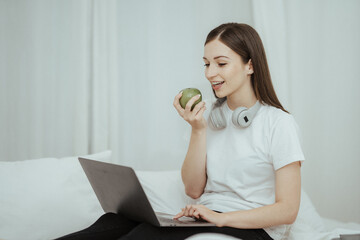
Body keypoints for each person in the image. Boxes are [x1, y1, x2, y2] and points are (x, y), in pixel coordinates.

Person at [56, 22, 304, 240]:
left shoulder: (278, 123)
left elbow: (288, 210)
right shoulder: (210, 117)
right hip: (207, 216)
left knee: (144, 235)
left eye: (221, 63)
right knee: (113, 222)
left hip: (252, 230)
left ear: (250, 65)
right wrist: (197, 129)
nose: (210, 73)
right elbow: (193, 190)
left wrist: (221, 218)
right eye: (206, 64)